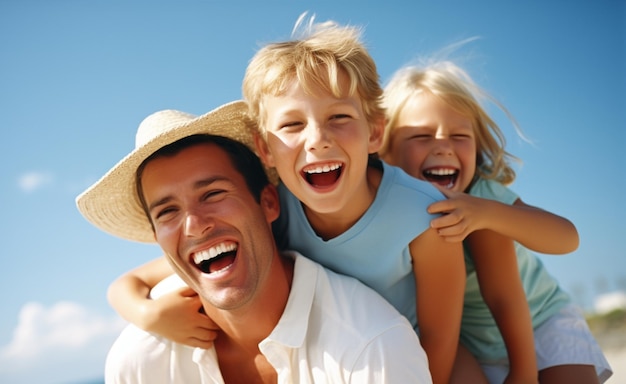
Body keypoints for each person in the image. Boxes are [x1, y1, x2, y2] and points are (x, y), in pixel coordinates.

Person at [107, 17, 468, 384]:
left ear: (375, 132)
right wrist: (147, 315)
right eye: (292, 125)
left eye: (339, 117)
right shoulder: (275, 205)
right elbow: (132, 280)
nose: (317, 139)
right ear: (265, 149)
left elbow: (440, 336)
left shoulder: (425, 215)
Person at [76, 101, 433, 383]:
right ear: (157, 238)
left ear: (269, 203)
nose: (195, 226)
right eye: (167, 212)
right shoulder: (138, 364)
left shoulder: (372, 346)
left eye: (213, 193)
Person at [379, 60, 613, 384]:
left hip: (539, 321)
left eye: (460, 135)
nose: (444, 146)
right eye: (422, 135)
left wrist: (490, 213)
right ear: (385, 149)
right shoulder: (387, 205)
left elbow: (566, 239)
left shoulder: (481, 196)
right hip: (468, 341)